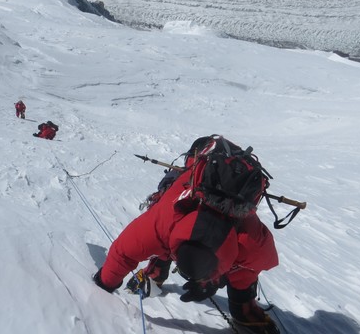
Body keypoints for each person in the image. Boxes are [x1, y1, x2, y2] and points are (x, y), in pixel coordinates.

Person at [93, 135, 280, 334]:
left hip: (223, 181)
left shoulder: (250, 242)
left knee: (166, 244)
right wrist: (105, 281)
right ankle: (158, 270)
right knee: (161, 241)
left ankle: (158, 273)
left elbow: (123, 253)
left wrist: (214, 279)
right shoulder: (159, 224)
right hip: (200, 167)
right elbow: (123, 253)